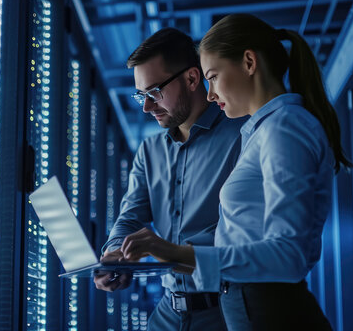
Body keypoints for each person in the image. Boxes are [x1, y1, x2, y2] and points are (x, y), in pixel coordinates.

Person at [120, 14, 353, 330]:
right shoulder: (263, 130)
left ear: (248, 62)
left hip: (263, 308)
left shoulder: (283, 128)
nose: (211, 92)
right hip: (243, 307)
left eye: (213, 77)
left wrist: (174, 252)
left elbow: (289, 254)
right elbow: (245, 237)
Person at [93, 27, 246, 330]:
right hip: (167, 314)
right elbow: (129, 218)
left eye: (154, 92)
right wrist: (114, 255)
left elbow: (246, 233)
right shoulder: (149, 152)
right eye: (141, 96)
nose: (147, 107)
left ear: (192, 79)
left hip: (226, 310)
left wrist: (168, 250)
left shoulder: (243, 135)